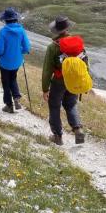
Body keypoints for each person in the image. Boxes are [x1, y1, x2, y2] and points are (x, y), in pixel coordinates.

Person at [42, 15, 86, 145]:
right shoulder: (78, 43)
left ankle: (57, 136)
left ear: (56, 30)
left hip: (59, 81)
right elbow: (84, 63)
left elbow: (47, 70)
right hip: (74, 80)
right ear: (67, 29)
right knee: (71, 104)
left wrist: (45, 89)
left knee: (55, 106)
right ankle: (78, 129)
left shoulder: (53, 47)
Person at [0, 8, 29, 113]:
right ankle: (16, 97)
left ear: (5, 20)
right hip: (17, 61)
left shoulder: (3, 31)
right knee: (13, 78)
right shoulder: (21, 31)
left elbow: (0, 50)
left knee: (6, 82)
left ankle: (9, 105)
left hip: (4, 62)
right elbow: (26, 48)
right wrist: (18, 51)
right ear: (15, 19)